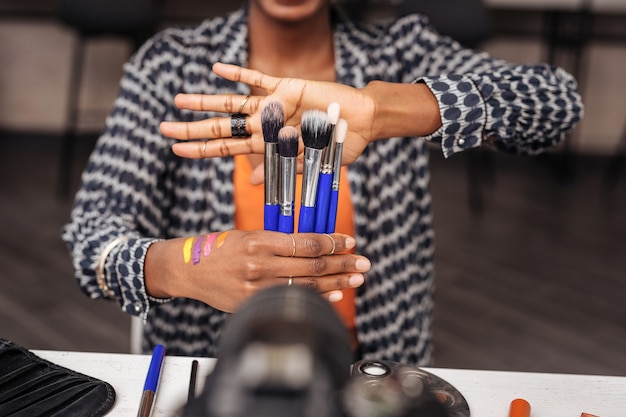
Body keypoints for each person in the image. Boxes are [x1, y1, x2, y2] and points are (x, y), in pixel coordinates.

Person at [62, 0, 583, 366]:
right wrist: (186, 267)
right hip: (215, 369)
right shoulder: (169, 63)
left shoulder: (401, 52)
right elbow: (92, 241)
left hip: (372, 370)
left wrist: (385, 110)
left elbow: (557, 102)